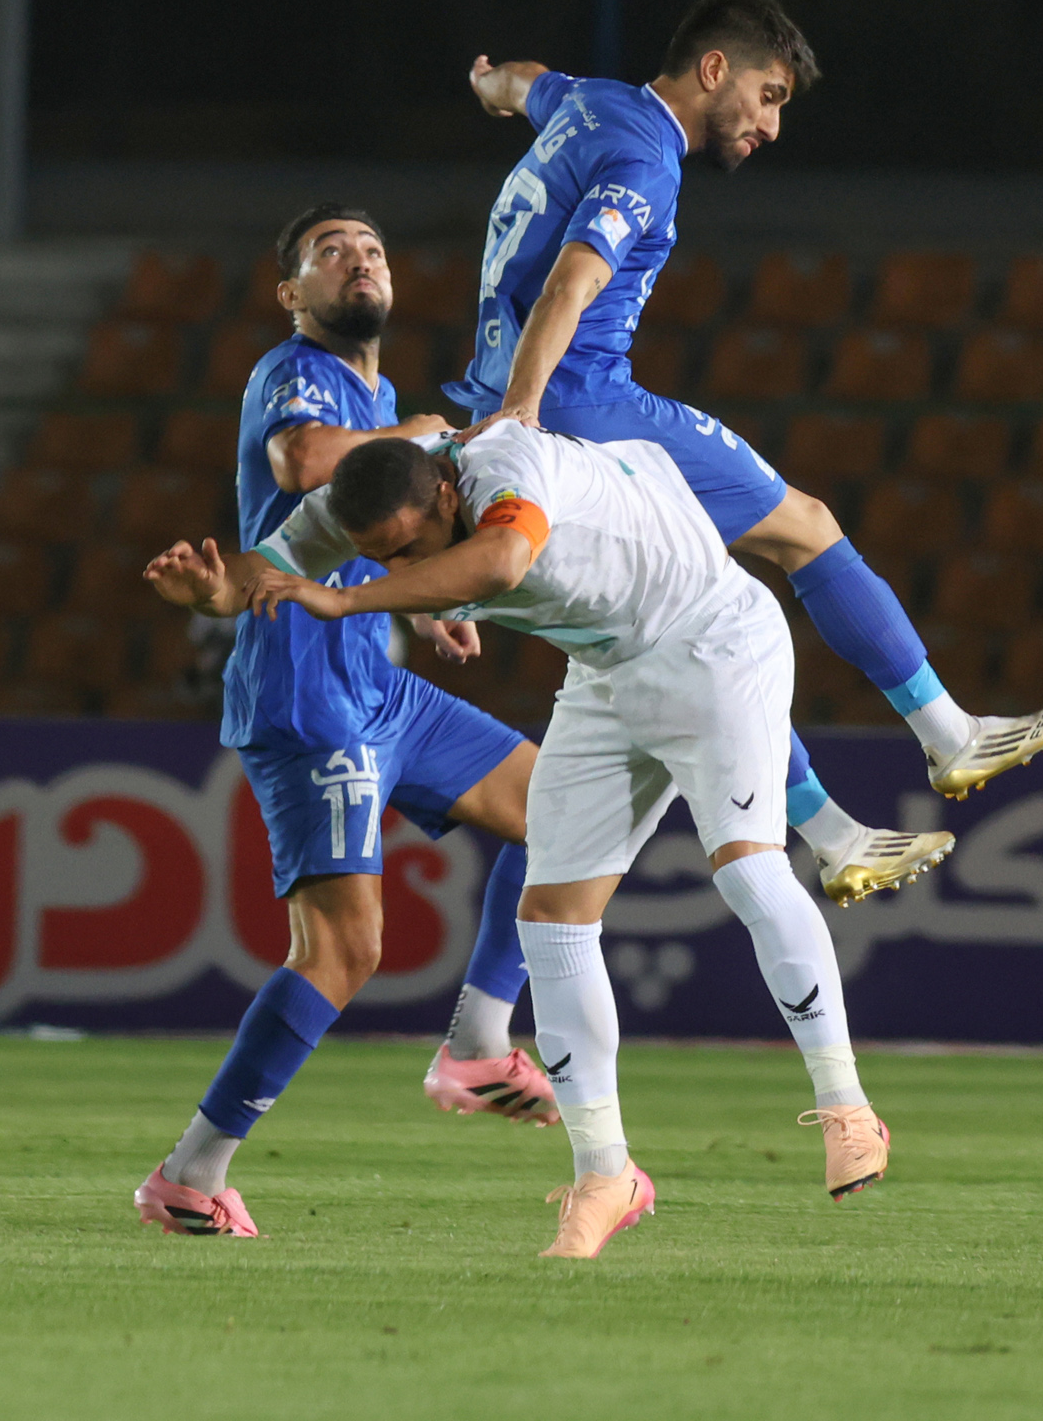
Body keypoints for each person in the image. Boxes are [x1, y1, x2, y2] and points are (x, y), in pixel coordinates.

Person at [442, 0, 1043, 891]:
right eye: (767, 96)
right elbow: (571, 284)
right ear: (712, 70)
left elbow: (525, 83)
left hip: (499, 398)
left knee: (688, 628)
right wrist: (524, 418)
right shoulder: (644, 156)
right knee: (805, 528)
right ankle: (948, 734)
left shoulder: (586, 102)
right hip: (581, 407)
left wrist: (488, 83)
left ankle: (835, 835)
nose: (771, 126)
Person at [240, 420, 891, 1258]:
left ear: (447, 494)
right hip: (606, 672)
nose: (396, 567)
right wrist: (207, 585)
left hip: (713, 641)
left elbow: (501, 561)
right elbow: (258, 575)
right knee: (549, 922)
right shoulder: (355, 505)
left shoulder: (505, 468)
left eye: (407, 549)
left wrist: (347, 599)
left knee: (746, 870)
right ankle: (604, 1175)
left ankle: (845, 1107)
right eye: (376, 557)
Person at [133, 206, 558, 1240]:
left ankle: (477, 1039)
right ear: (292, 293)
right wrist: (424, 435)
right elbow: (305, 462)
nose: (357, 260)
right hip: (308, 689)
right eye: (331, 252)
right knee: (341, 950)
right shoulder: (299, 372)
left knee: (559, 810)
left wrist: (423, 596)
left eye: (371, 249)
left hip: (376, 678)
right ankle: (189, 1174)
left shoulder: (376, 394)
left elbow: (355, 529)